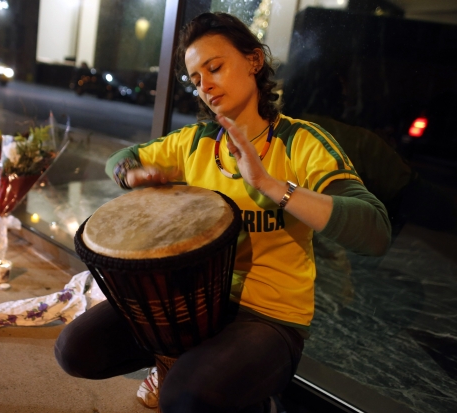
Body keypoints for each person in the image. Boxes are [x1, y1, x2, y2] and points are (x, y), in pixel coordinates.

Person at [55, 12, 391, 413]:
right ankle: (172, 359)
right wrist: (131, 174)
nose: (206, 86)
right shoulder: (195, 142)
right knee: (74, 351)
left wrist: (269, 184)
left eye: (215, 68)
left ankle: (247, 397)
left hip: (268, 317)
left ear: (254, 60)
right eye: (196, 79)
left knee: (185, 398)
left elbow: (375, 231)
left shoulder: (301, 142)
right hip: (192, 301)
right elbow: (121, 158)